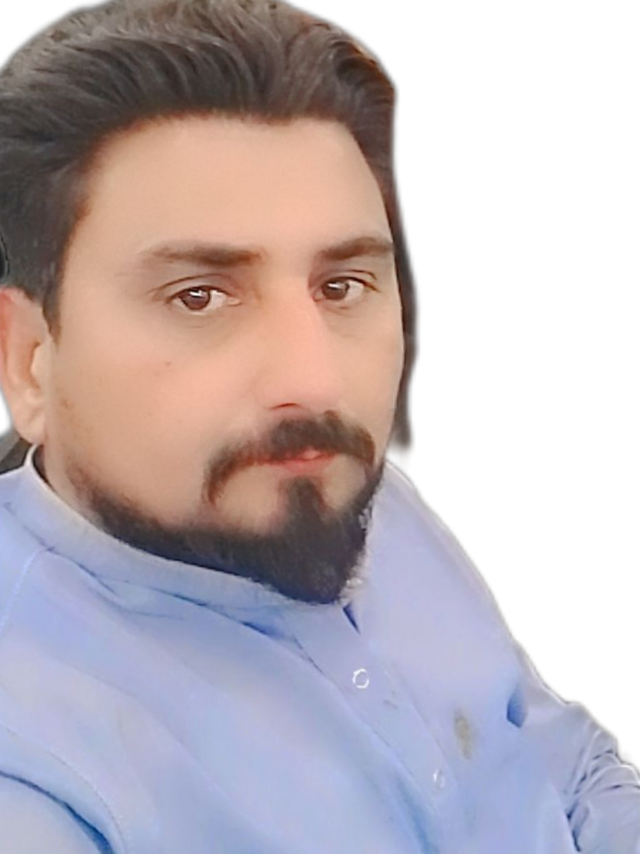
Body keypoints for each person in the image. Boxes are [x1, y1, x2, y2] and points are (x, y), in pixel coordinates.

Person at [0, 1, 637, 852]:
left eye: (341, 287)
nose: (314, 382)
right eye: (200, 296)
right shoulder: (35, 774)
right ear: (28, 359)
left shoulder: (349, 497)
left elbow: (564, 768)